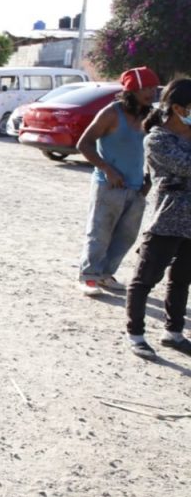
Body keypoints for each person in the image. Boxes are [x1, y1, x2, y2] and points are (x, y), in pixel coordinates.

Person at [75, 66, 159, 296]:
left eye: (154, 87)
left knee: (126, 235)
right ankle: (89, 276)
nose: (151, 92)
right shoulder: (112, 113)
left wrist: (149, 180)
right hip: (108, 184)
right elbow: (84, 143)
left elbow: (155, 150)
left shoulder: (150, 116)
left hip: (136, 187)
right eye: (146, 88)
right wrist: (107, 169)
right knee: (100, 232)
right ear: (132, 90)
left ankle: (105, 274)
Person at [124, 78, 191, 359]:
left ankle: (173, 333)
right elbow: (186, 167)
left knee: (182, 279)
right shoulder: (157, 139)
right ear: (177, 107)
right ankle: (136, 334)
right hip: (168, 220)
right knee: (145, 279)